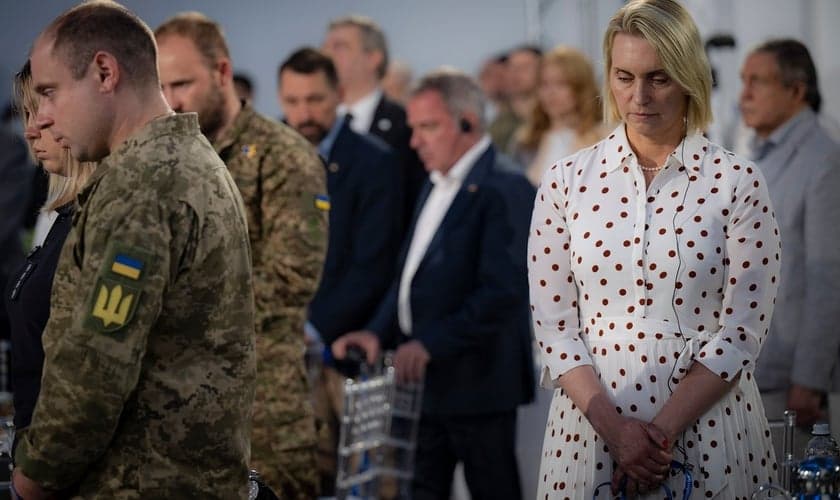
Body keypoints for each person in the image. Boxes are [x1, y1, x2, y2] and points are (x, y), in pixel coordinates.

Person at [528, 0, 781, 497]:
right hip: (589, 433)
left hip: (709, 428)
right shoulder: (565, 182)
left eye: (658, 78)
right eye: (624, 77)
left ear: (689, 78)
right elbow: (554, 327)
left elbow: (743, 331)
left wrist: (658, 433)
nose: (638, 96)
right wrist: (615, 431)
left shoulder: (737, 182)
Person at [12, 2, 256, 498]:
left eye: (50, 92)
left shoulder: (140, 184)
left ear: (104, 71)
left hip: (138, 480)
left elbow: (94, 374)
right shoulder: (193, 156)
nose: (46, 117)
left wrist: (31, 478)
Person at [332, 68, 535, 500]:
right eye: (413, 128)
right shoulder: (433, 182)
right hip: (424, 385)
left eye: (427, 127)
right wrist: (376, 330)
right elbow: (407, 275)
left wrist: (429, 345)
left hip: (479, 385)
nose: (414, 141)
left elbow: (503, 293)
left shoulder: (507, 187)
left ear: (468, 123)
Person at [155, 12, 328, 497]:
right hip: (177, 413)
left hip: (262, 415)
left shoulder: (285, 156)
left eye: (183, 83)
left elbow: (290, 282)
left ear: (223, 73)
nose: (172, 100)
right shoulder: (171, 162)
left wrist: (172, 307)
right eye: (161, 86)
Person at [277, 46, 403, 495]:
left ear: (339, 95)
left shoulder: (376, 162)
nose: (303, 113)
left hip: (349, 352)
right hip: (283, 357)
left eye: (315, 100)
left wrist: (311, 327)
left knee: (370, 482)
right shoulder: (271, 157)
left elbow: (375, 263)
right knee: (298, 478)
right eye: (292, 102)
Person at [741, 39, 840, 454]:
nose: (743, 94)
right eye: (744, 81)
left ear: (796, 91)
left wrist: (810, 378)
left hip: (791, 384)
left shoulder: (823, 161)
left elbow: (828, 275)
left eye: (757, 82)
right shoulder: (758, 154)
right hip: (751, 369)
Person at [4, 62, 96, 439]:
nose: (28, 130)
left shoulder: (97, 219)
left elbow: (91, 374)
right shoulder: (61, 216)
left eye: (38, 113)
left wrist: (41, 471)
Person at [323, 15, 425, 234]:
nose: (326, 55)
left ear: (373, 58)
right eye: (326, 47)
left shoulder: (407, 126)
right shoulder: (309, 126)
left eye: (340, 47)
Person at [513, 45, 607, 186]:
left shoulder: (604, 139)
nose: (551, 93)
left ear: (581, 88)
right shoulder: (526, 142)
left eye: (561, 84)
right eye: (544, 84)